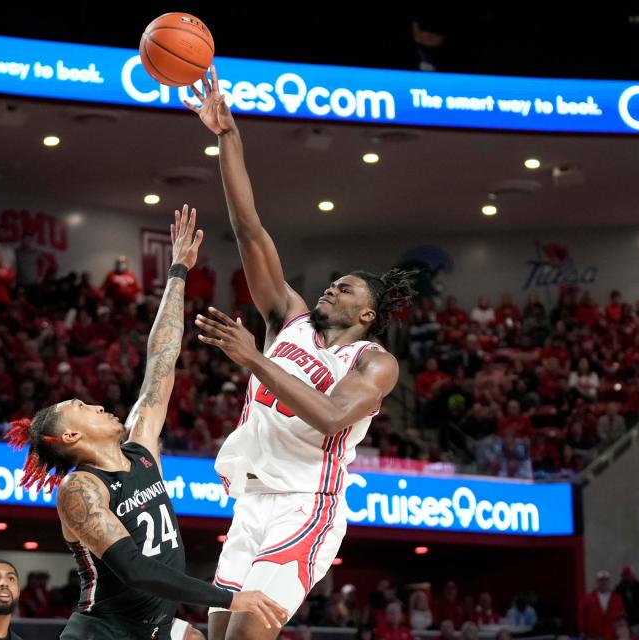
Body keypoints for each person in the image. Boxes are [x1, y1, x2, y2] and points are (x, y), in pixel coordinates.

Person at [187, 67, 412, 640]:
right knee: (219, 635)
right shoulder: (287, 318)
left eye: (347, 287)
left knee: (242, 635)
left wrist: (254, 359)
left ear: (367, 314)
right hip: (252, 500)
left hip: (306, 505)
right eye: (333, 281)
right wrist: (227, 137)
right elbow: (250, 228)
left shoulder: (373, 361)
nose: (331, 286)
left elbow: (334, 416)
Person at [7, 207, 285, 639]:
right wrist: (232, 598)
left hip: (156, 627)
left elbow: (161, 357)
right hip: (104, 633)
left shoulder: (140, 448)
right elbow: (135, 570)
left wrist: (177, 272)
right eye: (82, 405)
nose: (96, 405)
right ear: (72, 436)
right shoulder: (81, 489)